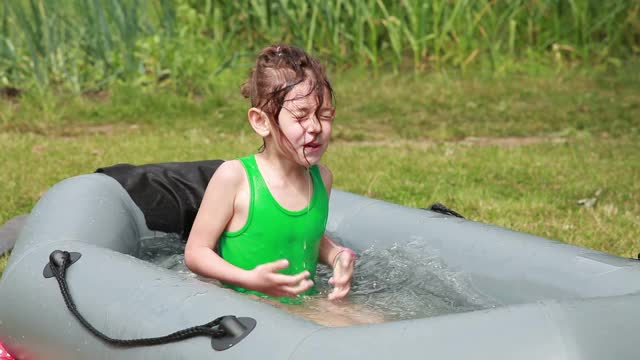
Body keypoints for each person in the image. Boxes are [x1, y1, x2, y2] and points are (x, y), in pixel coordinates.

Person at [184, 45, 372, 325]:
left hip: (300, 306)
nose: (315, 127)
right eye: (300, 116)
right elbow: (196, 252)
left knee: (375, 322)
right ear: (261, 122)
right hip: (247, 308)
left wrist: (336, 255)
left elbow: (304, 236)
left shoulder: (321, 178)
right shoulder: (235, 178)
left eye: (325, 115)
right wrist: (249, 279)